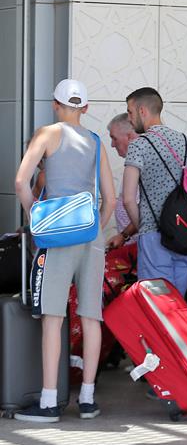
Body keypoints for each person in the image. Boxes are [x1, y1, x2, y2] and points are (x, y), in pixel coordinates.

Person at [13, 79, 115, 422]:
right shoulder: (97, 141)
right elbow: (111, 200)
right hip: (91, 235)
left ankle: (49, 401)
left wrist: (37, 217)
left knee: (53, 320)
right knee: (91, 317)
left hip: (57, 236)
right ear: (85, 109)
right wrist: (96, 229)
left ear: (55, 104)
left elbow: (20, 181)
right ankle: (87, 399)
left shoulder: (46, 134)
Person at [122, 87, 187, 296]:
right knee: (177, 306)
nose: (129, 119)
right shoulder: (186, 142)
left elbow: (128, 198)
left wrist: (143, 227)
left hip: (154, 238)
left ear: (142, 111)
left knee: (156, 307)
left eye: (130, 112)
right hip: (184, 238)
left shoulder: (139, 145)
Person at [106, 113, 139, 249]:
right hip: (133, 245)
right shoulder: (134, 162)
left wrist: (124, 235)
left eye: (114, 138)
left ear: (130, 136)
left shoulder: (141, 162)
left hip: (140, 246)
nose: (112, 145)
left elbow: (146, 210)